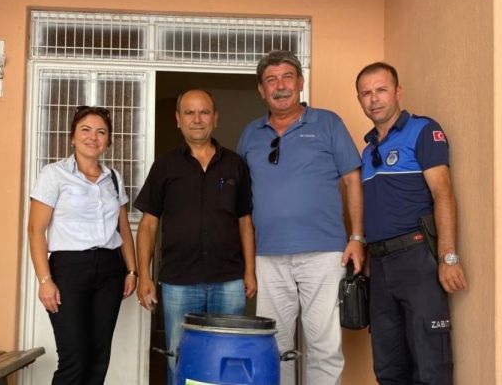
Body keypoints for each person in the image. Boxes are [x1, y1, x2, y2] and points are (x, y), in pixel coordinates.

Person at [237, 50, 365, 385]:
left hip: (324, 253)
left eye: (287, 77)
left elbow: (353, 180)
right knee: (273, 345)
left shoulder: (328, 123)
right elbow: (240, 199)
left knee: (323, 346)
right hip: (268, 255)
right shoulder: (250, 133)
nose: (280, 86)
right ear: (261, 90)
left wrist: (357, 237)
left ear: (301, 82)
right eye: (271, 80)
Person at [355, 62, 468, 384]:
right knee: (388, 367)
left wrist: (449, 257)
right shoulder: (367, 151)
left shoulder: (423, 131)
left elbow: (443, 193)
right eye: (366, 93)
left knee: (430, 364)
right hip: (379, 266)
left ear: (398, 92)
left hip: (417, 260)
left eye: (381, 90)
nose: (374, 99)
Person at [134, 89, 257, 385]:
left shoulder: (235, 165)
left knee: (227, 356)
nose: (197, 119)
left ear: (215, 118)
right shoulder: (165, 166)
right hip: (179, 282)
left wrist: (250, 271)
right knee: (180, 357)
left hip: (228, 281)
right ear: (178, 120)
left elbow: (245, 221)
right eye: (189, 113)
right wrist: (144, 276)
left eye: (204, 112)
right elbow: (148, 224)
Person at [27, 105, 137, 385]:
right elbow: (35, 230)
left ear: (108, 141)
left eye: (101, 132)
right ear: (72, 137)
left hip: (110, 270)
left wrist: (131, 270)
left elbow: (123, 228)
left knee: (98, 358)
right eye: (85, 130)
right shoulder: (54, 174)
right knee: (74, 359)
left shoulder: (114, 178)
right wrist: (45, 281)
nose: (93, 137)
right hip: (69, 269)